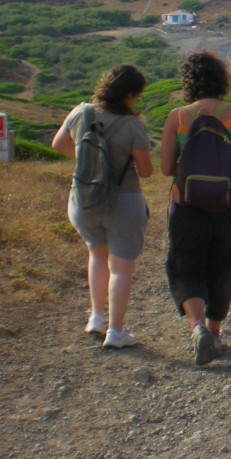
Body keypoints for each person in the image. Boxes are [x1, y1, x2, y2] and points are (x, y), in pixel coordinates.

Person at [160, 51, 231, 366]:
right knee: (223, 266)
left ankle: (197, 327)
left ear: (189, 83)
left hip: (187, 205)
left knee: (186, 267)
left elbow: (165, 168)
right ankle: (214, 334)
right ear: (222, 80)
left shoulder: (177, 116)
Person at [52, 65, 155, 350]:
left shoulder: (81, 112)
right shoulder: (133, 125)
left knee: (97, 255)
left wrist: (89, 161)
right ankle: (116, 331)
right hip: (123, 200)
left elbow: (58, 145)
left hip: (83, 199)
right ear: (130, 95)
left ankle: (96, 317)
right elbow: (145, 172)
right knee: (121, 269)